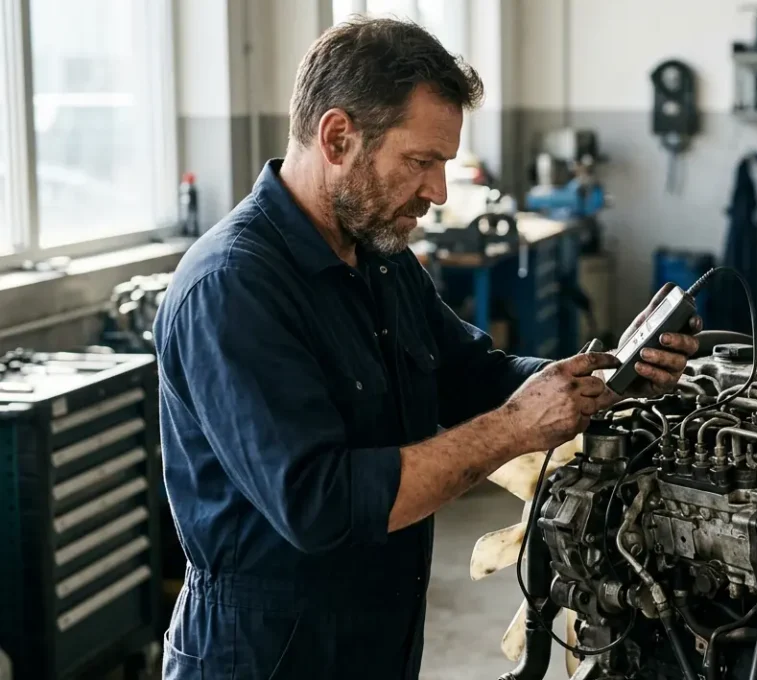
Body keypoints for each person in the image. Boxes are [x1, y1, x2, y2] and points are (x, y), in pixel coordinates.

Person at [153, 17, 700, 679]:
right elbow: (320, 504)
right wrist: (513, 430)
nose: (439, 193)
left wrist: (606, 377)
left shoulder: (380, 259)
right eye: (422, 162)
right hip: (264, 653)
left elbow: (472, 372)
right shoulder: (233, 288)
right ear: (337, 138)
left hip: (377, 636)